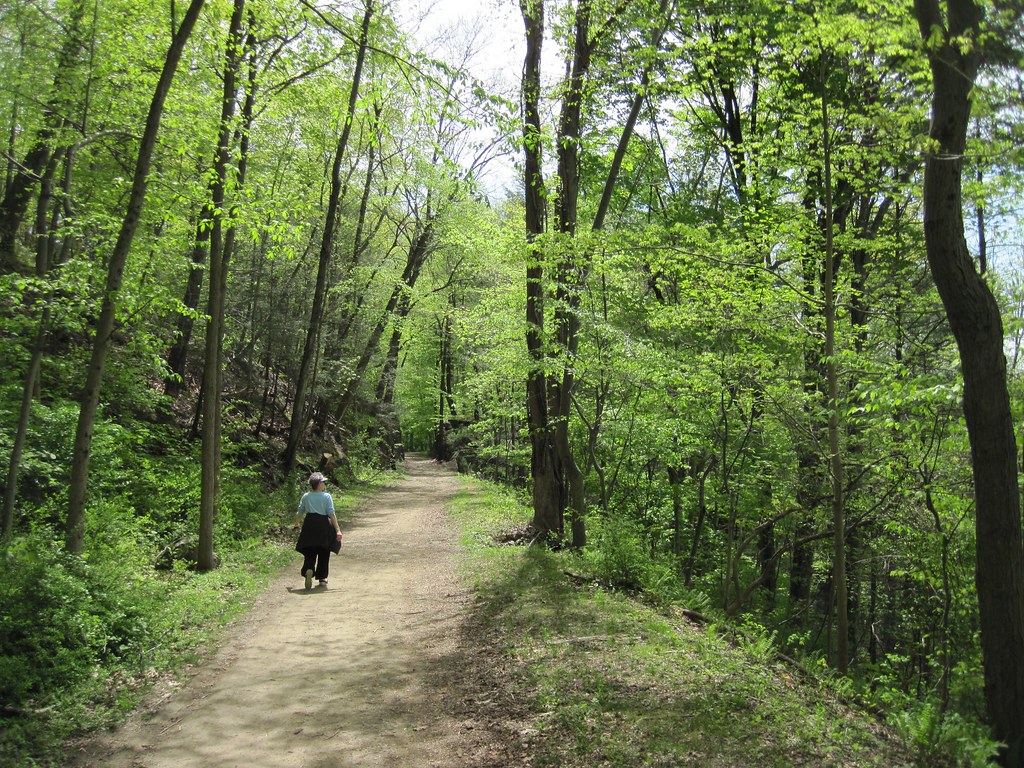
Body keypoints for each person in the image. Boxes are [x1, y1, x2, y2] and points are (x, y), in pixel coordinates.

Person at [292, 472, 343, 589]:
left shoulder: (306, 496)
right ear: (319, 484)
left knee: (310, 550)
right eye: (323, 482)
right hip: (323, 524)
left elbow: (300, 512)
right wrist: (338, 530)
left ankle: (308, 569)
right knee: (324, 550)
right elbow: (331, 513)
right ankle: (322, 577)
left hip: (309, 524)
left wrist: (296, 524)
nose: (324, 483)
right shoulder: (326, 496)